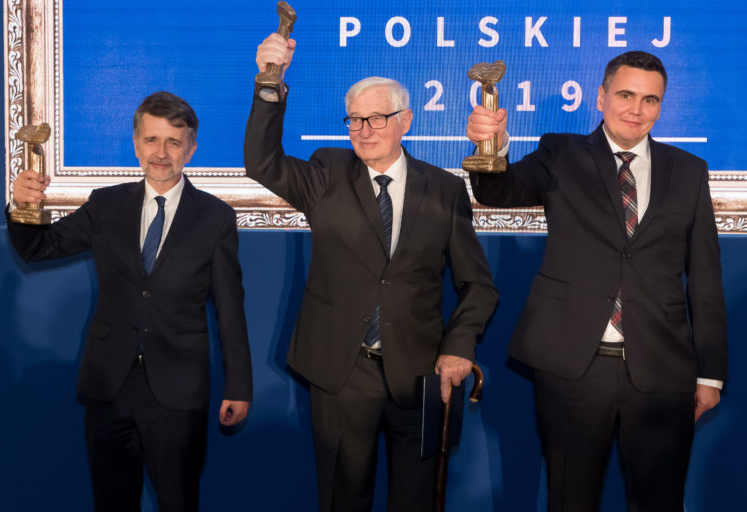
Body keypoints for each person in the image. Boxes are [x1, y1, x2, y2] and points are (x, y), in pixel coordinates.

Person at [246, 33, 498, 511]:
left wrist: (459, 347)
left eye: (377, 118)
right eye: (355, 120)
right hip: (342, 372)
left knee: (416, 500)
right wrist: (270, 82)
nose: (364, 130)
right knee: (343, 499)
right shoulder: (326, 172)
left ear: (405, 120)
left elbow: (478, 286)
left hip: (422, 374)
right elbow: (262, 162)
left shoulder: (444, 190)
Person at [466, 50, 728, 510]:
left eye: (650, 100)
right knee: (571, 500)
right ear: (601, 97)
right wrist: (493, 146)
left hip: (662, 370)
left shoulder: (689, 170)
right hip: (573, 368)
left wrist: (710, 374)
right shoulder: (561, 153)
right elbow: (496, 191)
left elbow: (705, 279)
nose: (637, 109)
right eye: (626, 95)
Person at [7, 91, 252, 512]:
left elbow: (230, 307)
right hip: (108, 385)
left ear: (191, 149)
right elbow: (38, 249)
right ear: (136, 144)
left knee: (179, 501)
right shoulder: (106, 204)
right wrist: (21, 206)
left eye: (173, 142)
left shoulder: (216, 218)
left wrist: (239, 386)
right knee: (111, 502)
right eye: (151, 140)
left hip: (178, 391)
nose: (161, 153)